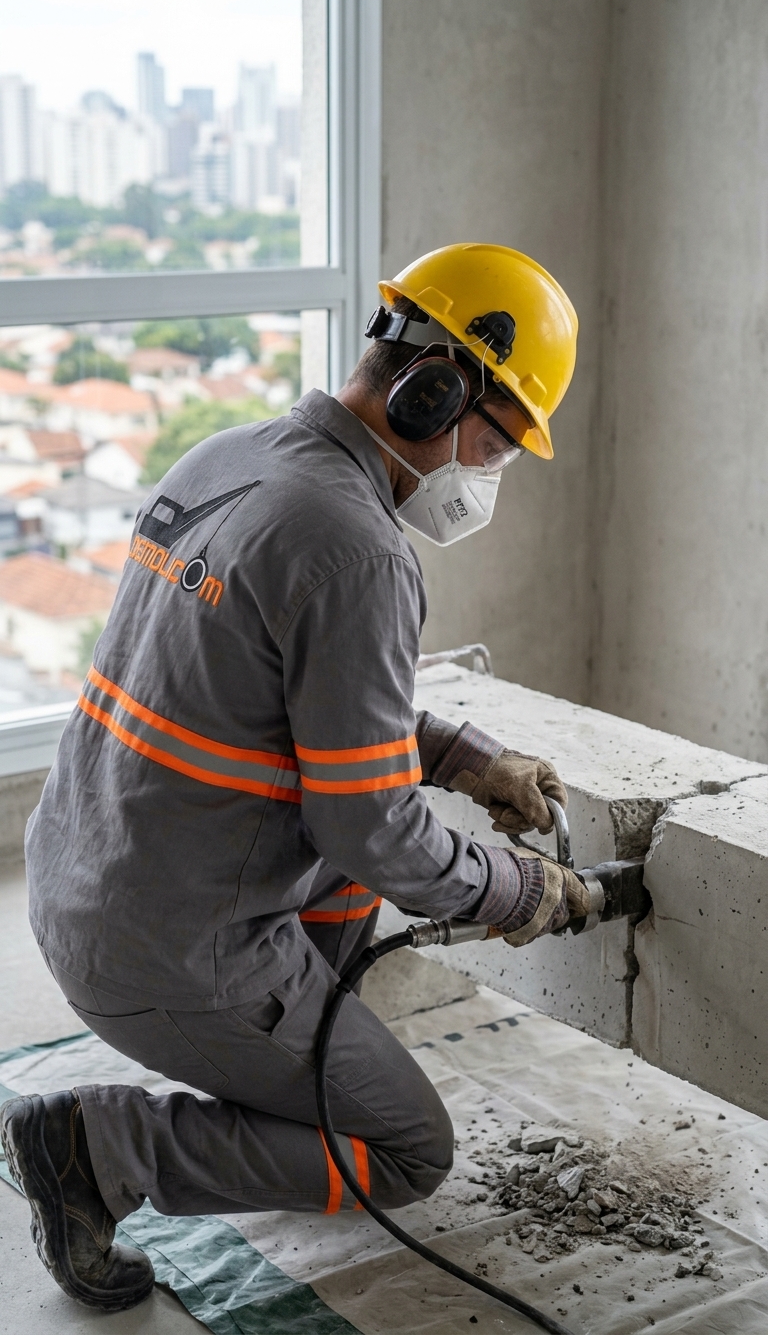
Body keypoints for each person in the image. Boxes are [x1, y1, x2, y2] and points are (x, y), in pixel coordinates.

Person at [1, 242, 588, 1313]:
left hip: (81, 879)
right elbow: (373, 827)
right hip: (165, 947)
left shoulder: (225, 457)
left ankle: (286, 1060)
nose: (491, 473)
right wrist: (515, 889)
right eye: (499, 442)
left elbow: (285, 702)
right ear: (434, 392)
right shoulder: (359, 548)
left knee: (345, 879)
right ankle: (103, 1146)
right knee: (407, 1149)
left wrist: (464, 756)